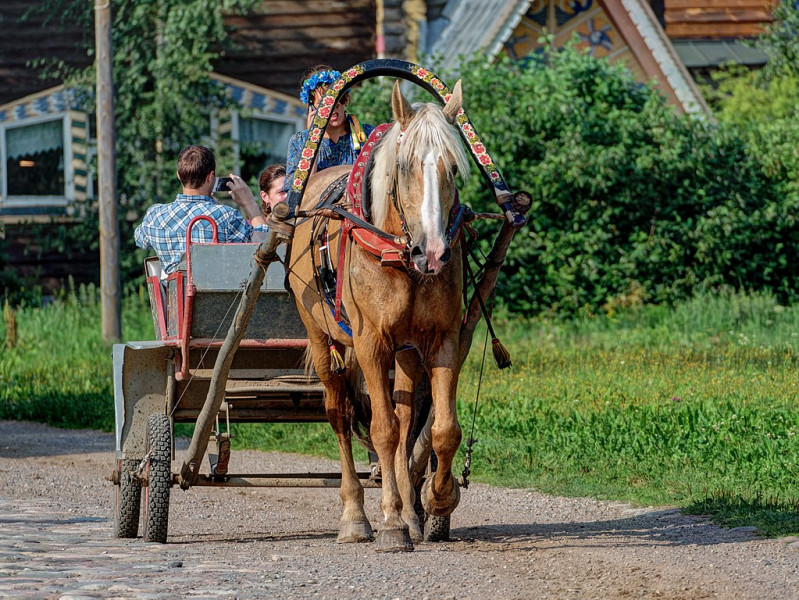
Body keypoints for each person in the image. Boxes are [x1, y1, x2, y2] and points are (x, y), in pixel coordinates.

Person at [134, 145, 268, 275]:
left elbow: (140, 240)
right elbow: (264, 247)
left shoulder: (156, 215)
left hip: (176, 295)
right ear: (210, 177)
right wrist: (250, 204)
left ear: (179, 176)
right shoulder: (227, 216)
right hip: (217, 294)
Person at [283, 64, 375, 192]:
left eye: (339, 99)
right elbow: (300, 193)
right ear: (312, 108)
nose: (333, 107)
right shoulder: (299, 142)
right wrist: (313, 138)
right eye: (324, 103)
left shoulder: (367, 135)